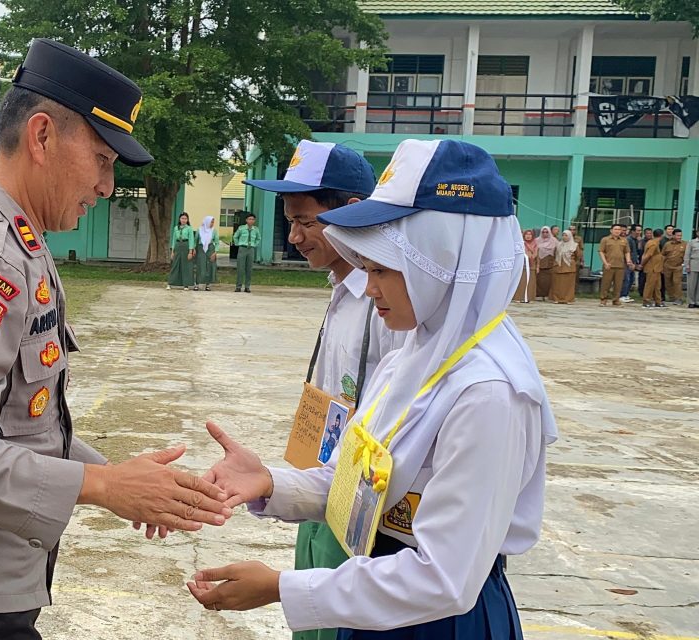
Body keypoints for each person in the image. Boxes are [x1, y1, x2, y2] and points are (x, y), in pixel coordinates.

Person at [0, 38, 232, 640]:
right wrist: (107, 486)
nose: (108, 186)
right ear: (41, 137)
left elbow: (20, 423)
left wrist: (125, 480)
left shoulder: (20, 246)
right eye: (103, 160)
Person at [189, 139, 556, 640]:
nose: (370, 286)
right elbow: (361, 483)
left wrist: (283, 588)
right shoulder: (413, 357)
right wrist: (270, 483)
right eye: (366, 268)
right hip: (374, 600)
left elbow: (444, 578)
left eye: (382, 269)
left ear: (441, 263)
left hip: (438, 622)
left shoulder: (488, 392)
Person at [244, 137, 402, 640]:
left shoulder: (388, 303)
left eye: (306, 222)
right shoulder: (342, 288)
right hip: (320, 484)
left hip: (362, 503)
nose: (293, 237)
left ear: (354, 213)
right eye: (290, 221)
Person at [599, 223, 632, 306]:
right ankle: (603, 299)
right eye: (615, 229)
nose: (617, 231)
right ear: (611, 230)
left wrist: (628, 261)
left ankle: (616, 299)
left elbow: (627, 252)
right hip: (609, 265)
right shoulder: (605, 240)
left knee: (618, 284)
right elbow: (601, 251)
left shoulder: (624, 240)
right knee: (606, 283)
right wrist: (605, 262)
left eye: (619, 229)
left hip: (620, 265)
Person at [550, 230, 583, 304]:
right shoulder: (558, 245)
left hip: (569, 267)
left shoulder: (575, 245)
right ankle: (557, 298)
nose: (564, 237)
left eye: (566, 235)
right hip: (558, 266)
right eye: (563, 235)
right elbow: (555, 255)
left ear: (570, 236)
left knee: (568, 284)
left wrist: (572, 262)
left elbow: (578, 256)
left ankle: (568, 299)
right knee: (558, 284)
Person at [168, 212, 196, 290]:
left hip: (185, 245)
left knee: (186, 265)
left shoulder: (189, 228)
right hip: (177, 245)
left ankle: (186, 284)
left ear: (187, 220)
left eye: (185, 219)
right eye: (182, 218)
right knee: (175, 264)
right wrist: (172, 251)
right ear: (179, 219)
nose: (184, 220)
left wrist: (190, 251)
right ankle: (170, 283)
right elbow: (173, 240)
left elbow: (191, 240)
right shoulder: (176, 228)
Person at [234, 212, 261, 292]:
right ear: (246, 220)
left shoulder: (256, 229)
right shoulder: (241, 228)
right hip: (242, 248)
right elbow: (235, 236)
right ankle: (238, 286)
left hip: (250, 249)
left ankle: (247, 286)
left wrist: (254, 245)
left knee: (249, 268)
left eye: (253, 219)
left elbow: (258, 238)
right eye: (249, 219)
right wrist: (238, 244)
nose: (251, 221)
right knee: (240, 268)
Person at [641, 228, 665, 309]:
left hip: (657, 268)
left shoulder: (655, 243)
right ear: (661, 235)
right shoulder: (653, 244)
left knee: (657, 286)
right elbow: (648, 255)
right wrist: (642, 264)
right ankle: (646, 301)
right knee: (650, 285)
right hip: (652, 267)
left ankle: (658, 301)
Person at [512, 229, 538, 303]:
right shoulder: (520, 244)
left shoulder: (535, 244)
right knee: (521, 282)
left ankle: (530, 298)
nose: (528, 236)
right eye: (527, 234)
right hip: (522, 266)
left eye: (530, 234)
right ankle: (519, 297)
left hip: (532, 266)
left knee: (531, 282)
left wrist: (537, 265)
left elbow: (537, 256)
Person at [194, 215, 219, 290]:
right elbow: (195, 240)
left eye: (213, 222)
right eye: (211, 222)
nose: (212, 224)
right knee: (200, 266)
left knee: (209, 266)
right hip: (201, 249)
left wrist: (215, 252)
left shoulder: (214, 231)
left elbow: (217, 242)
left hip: (210, 249)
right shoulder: (199, 230)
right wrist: (194, 249)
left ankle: (207, 285)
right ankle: (197, 284)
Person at [620, 224, 642, 303]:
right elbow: (627, 252)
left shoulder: (636, 240)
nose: (639, 232)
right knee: (626, 278)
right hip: (627, 262)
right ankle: (622, 295)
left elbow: (637, 252)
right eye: (638, 230)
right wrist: (630, 262)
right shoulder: (628, 239)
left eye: (640, 230)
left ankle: (626, 294)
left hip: (633, 261)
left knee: (631, 279)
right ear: (633, 231)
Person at [663, 228, 685, 304]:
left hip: (678, 267)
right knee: (668, 282)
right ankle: (671, 297)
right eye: (678, 235)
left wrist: (683, 265)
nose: (679, 237)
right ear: (673, 235)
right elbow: (663, 255)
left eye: (680, 235)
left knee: (677, 282)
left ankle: (678, 298)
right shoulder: (667, 244)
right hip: (667, 266)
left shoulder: (685, 244)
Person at [535, 226, 558, 300]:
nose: (545, 234)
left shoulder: (554, 241)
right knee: (540, 280)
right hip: (540, 263)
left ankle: (548, 295)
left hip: (550, 263)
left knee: (548, 281)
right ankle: (539, 295)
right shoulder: (537, 241)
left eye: (547, 232)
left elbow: (557, 252)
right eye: (543, 232)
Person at [686, 230, 699, 308]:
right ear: (697, 233)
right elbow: (687, 254)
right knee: (691, 284)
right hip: (693, 263)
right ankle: (691, 301)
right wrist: (687, 265)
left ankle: (698, 301)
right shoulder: (692, 242)